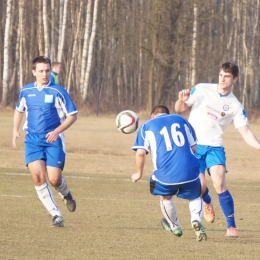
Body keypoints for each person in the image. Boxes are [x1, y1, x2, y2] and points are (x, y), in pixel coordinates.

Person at [175, 62, 260, 238]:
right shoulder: (202, 89)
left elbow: (245, 132)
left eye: (227, 76)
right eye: (221, 75)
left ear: (234, 79)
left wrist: (258, 146)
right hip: (194, 145)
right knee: (200, 186)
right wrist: (181, 101)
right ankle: (207, 202)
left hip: (215, 146)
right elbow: (180, 109)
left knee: (220, 184)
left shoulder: (235, 105)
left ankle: (232, 227)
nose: (222, 79)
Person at [12, 56, 78, 228]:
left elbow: (73, 115)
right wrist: (15, 130)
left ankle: (66, 194)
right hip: (33, 139)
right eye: (41, 71)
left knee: (54, 179)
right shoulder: (26, 91)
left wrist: (57, 131)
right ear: (34, 72)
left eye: (47, 70)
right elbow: (19, 110)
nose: (45, 74)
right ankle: (56, 215)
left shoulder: (58, 91)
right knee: (38, 177)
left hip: (53, 140)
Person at [131, 105, 207, 242]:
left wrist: (138, 174)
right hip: (190, 170)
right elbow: (194, 148)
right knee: (195, 196)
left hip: (165, 175)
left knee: (165, 198)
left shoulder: (146, 126)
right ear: (167, 114)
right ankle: (195, 218)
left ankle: (175, 226)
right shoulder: (180, 119)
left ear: (152, 116)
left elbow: (141, 153)